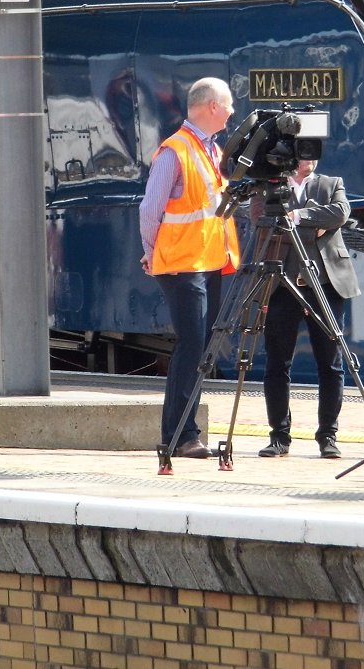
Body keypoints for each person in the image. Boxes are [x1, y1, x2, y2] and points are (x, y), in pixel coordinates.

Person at [139, 77, 241, 458]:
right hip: (183, 264)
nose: (232, 112)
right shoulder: (176, 150)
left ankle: (181, 433)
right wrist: (153, 252)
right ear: (212, 106)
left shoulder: (209, 150)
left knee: (200, 348)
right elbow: (150, 210)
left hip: (208, 261)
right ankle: (181, 436)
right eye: (228, 105)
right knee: (192, 346)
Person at [251, 156, 360, 460]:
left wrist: (297, 217)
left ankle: (328, 435)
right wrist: (316, 228)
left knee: (331, 362)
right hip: (280, 284)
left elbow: (340, 213)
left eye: (314, 152)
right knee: (277, 362)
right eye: (303, 152)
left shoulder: (332, 184)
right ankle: (279, 436)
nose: (310, 158)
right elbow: (262, 222)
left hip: (326, 283)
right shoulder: (270, 186)